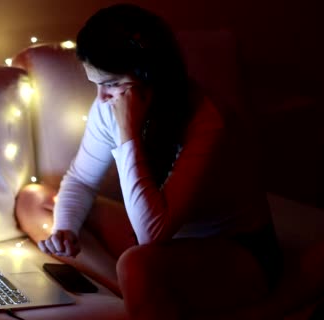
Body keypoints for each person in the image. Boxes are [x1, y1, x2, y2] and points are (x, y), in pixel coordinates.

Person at [15, 3, 284, 319]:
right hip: (161, 237)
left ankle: (139, 285)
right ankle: (133, 289)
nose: (102, 98)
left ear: (150, 75)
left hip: (233, 251)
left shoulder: (209, 121)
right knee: (35, 200)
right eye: (96, 83)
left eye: (112, 83)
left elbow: (152, 235)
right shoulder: (109, 105)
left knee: (136, 263)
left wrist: (129, 134)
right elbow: (81, 181)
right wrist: (65, 229)